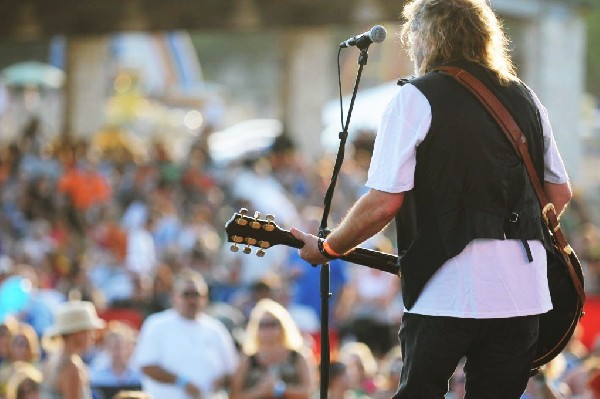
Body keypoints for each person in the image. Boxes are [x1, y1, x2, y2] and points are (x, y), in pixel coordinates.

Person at [290, 0, 573, 397]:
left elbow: (383, 203)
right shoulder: (524, 97)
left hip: (448, 290)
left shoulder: (416, 98)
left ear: (426, 37)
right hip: (522, 292)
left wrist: (330, 247)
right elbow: (558, 193)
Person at [132, 269, 238, 399]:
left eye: (196, 294)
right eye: (186, 294)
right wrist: (182, 382)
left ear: (205, 298)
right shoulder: (156, 324)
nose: (192, 300)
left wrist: (221, 380)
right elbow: (146, 365)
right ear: (174, 297)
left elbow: (232, 370)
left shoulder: (216, 329)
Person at [229, 298, 316, 399]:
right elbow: (234, 395)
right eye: (262, 325)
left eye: (272, 324)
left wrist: (280, 389)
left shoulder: (297, 357)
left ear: (283, 326)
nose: (267, 330)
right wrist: (261, 391)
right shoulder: (247, 360)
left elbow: (309, 391)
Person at [40, 300, 106, 399]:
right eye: (89, 331)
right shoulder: (72, 367)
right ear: (77, 333)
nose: (93, 336)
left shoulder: (53, 359)